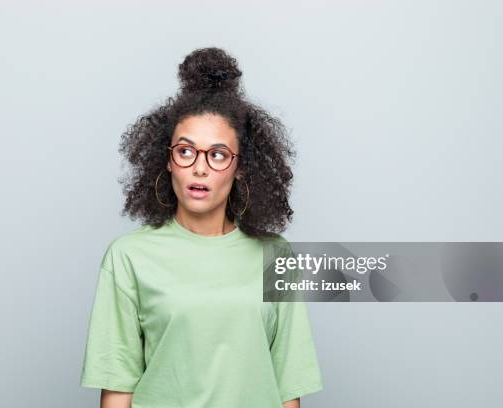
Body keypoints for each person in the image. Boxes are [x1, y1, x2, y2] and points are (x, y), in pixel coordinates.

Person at [80, 47, 322, 408]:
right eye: (186, 151)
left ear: (241, 168)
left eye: (218, 154)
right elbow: (117, 388)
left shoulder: (276, 256)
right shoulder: (128, 256)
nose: (200, 168)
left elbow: (288, 388)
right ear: (168, 159)